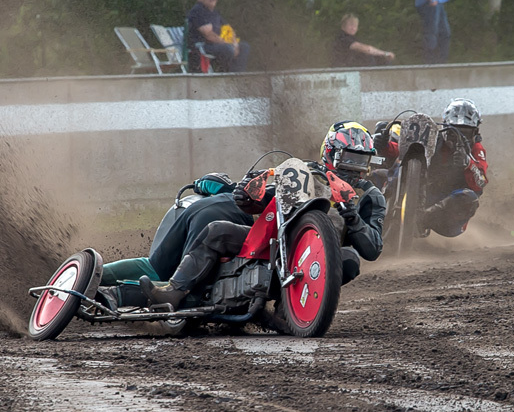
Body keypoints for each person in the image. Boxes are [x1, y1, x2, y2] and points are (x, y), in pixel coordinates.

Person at [140, 121, 386, 310]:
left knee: (350, 258)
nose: (355, 168)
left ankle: (288, 309)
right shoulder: (307, 172)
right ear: (331, 154)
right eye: (350, 159)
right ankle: (174, 290)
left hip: (317, 260)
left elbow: (372, 249)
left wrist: (353, 218)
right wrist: (247, 198)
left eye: (361, 160)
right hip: (274, 243)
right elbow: (269, 196)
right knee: (217, 230)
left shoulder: (371, 195)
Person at [96, 176, 254, 310]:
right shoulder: (246, 202)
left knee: (155, 266)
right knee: (188, 285)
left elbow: (210, 181)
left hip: (192, 212)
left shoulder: (230, 189)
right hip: (222, 219)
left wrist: (199, 184)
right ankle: (117, 295)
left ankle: (86, 275)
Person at [375, 99, 487, 237]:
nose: (458, 137)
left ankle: (422, 220)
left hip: (445, 206)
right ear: (445, 126)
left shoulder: (476, 149)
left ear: (475, 132)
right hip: (422, 190)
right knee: (377, 175)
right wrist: (383, 146)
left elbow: (481, 182)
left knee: (469, 197)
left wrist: (468, 163)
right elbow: (402, 151)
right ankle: (374, 217)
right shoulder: (433, 139)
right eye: (454, 131)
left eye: (465, 132)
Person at [186, 0, 250, 73]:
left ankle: (237, 76)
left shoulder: (215, 13)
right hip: (202, 46)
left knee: (244, 47)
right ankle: (225, 74)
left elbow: (229, 31)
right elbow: (208, 35)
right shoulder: (198, 11)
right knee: (227, 49)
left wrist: (235, 44)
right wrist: (227, 44)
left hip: (217, 45)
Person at [330, 14, 395, 67]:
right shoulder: (343, 38)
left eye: (355, 26)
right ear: (343, 26)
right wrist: (385, 54)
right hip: (345, 70)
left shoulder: (352, 38)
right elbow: (367, 49)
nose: (353, 28)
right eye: (351, 25)